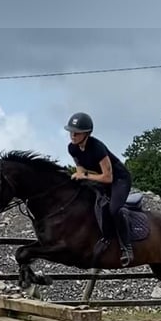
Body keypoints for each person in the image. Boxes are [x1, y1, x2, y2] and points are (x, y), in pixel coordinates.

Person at [64, 111, 134, 267]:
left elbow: (108, 178)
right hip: (100, 178)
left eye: (77, 133)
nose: (73, 135)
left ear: (87, 133)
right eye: (71, 132)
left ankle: (126, 247)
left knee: (114, 209)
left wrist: (84, 175)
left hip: (119, 179)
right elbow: (80, 170)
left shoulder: (97, 148)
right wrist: (80, 176)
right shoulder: (72, 148)